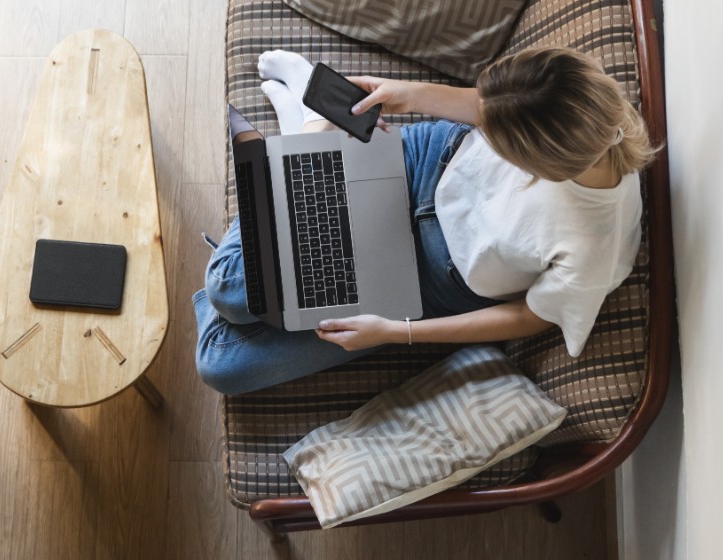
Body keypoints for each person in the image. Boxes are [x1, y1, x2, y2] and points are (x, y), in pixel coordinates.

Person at [193, 48, 657, 395]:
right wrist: (410, 95)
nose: (483, 130)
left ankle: (306, 135)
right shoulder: (581, 95)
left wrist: (397, 332)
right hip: (426, 164)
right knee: (229, 287)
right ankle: (309, 135)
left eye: (494, 139)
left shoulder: (596, 244)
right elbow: (492, 105)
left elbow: (531, 317)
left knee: (221, 361)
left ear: (538, 167)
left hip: (431, 279)